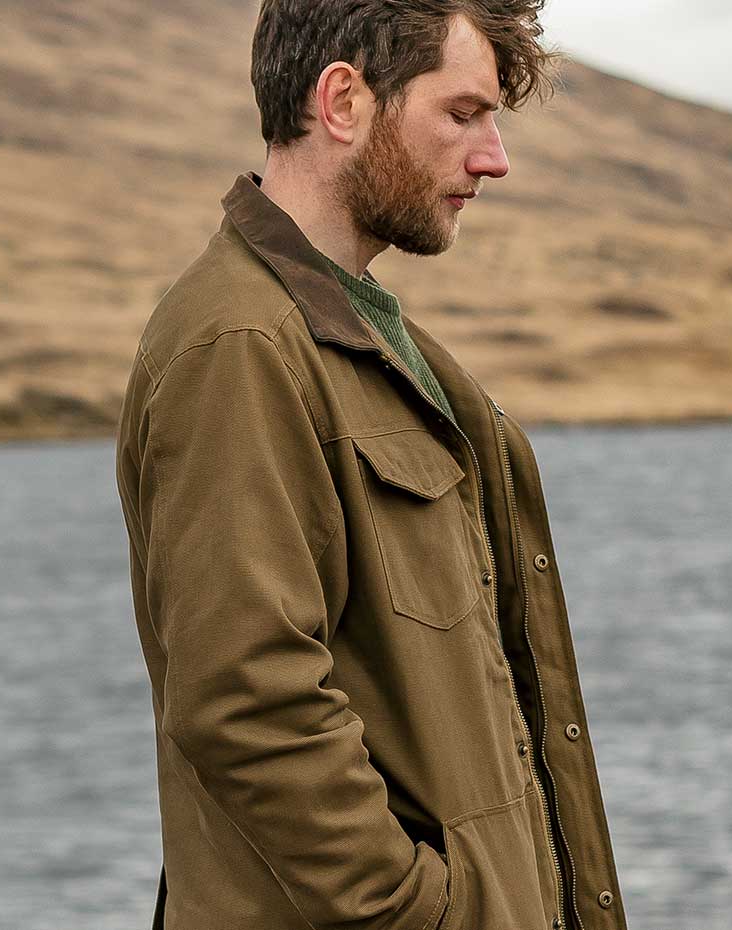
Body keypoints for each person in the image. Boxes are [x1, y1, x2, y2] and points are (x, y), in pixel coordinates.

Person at [115, 2, 627, 929]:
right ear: (343, 101)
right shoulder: (240, 345)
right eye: (464, 114)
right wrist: (427, 914)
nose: (494, 157)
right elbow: (246, 704)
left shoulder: (363, 336)